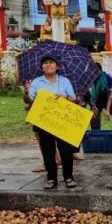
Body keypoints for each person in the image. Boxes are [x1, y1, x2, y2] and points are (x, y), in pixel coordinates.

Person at [25, 56, 79, 189]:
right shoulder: (36, 82)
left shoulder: (65, 81)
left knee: (66, 150)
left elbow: (74, 99)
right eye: (45, 63)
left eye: (51, 63)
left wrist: (65, 97)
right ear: (41, 67)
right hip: (44, 120)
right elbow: (28, 101)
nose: (48, 65)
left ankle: (68, 177)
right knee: (48, 150)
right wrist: (26, 91)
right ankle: (51, 178)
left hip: (62, 120)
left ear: (57, 66)